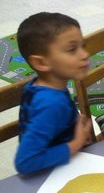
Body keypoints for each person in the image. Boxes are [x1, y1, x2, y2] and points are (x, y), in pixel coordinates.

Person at [15, 12, 92, 173]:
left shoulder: (46, 86)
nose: (85, 55)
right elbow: (26, 162)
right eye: (72, 49)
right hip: (51, 175)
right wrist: (76, 143)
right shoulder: (51, 104)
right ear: (41, 63)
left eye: (82, 46)